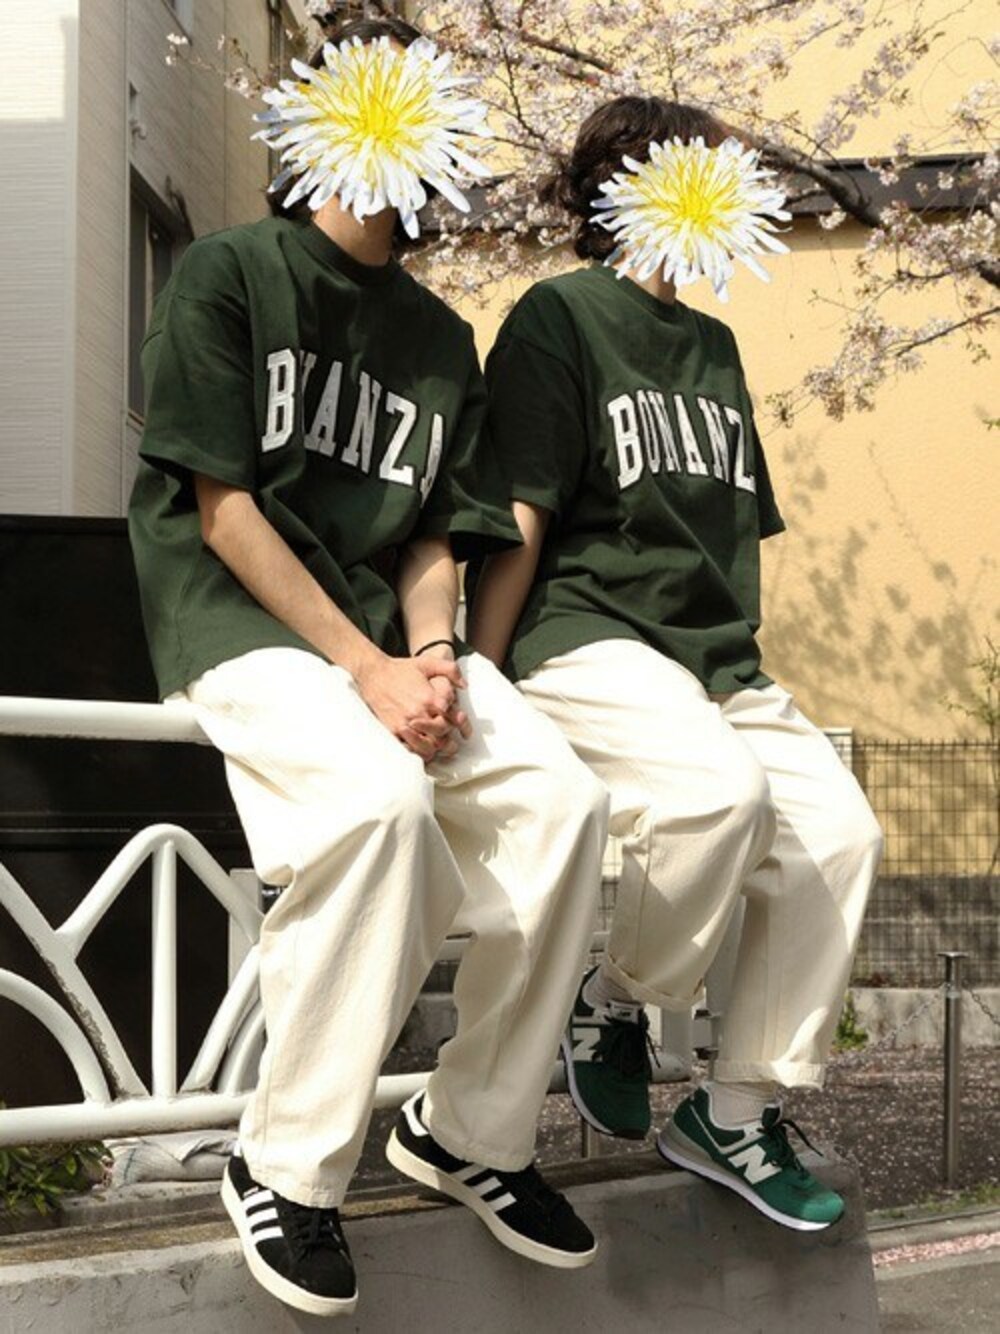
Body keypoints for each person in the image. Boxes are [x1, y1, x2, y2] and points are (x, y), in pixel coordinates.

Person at [128, 18, 608, 1318]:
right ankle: (284, 1164)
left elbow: (429, 537)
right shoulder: (229, 273)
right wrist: (367, 669)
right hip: (240, 620)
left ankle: (468, 1129)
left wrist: (436, 659)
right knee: (384, 812)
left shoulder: (440, 340)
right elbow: (223, 511)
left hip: (384, 639)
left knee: (565, 804)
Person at [470, 96, 884, 1234]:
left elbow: (732, 534)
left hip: (712, 658)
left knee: (838, 835)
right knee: (715, 797)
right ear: (636, 186)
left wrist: (733, 661)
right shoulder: (558, 315)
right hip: (585, 628)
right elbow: (522, 507)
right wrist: (480, 672)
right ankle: (615, 1002)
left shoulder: (715, 347)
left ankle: (732, 1112)